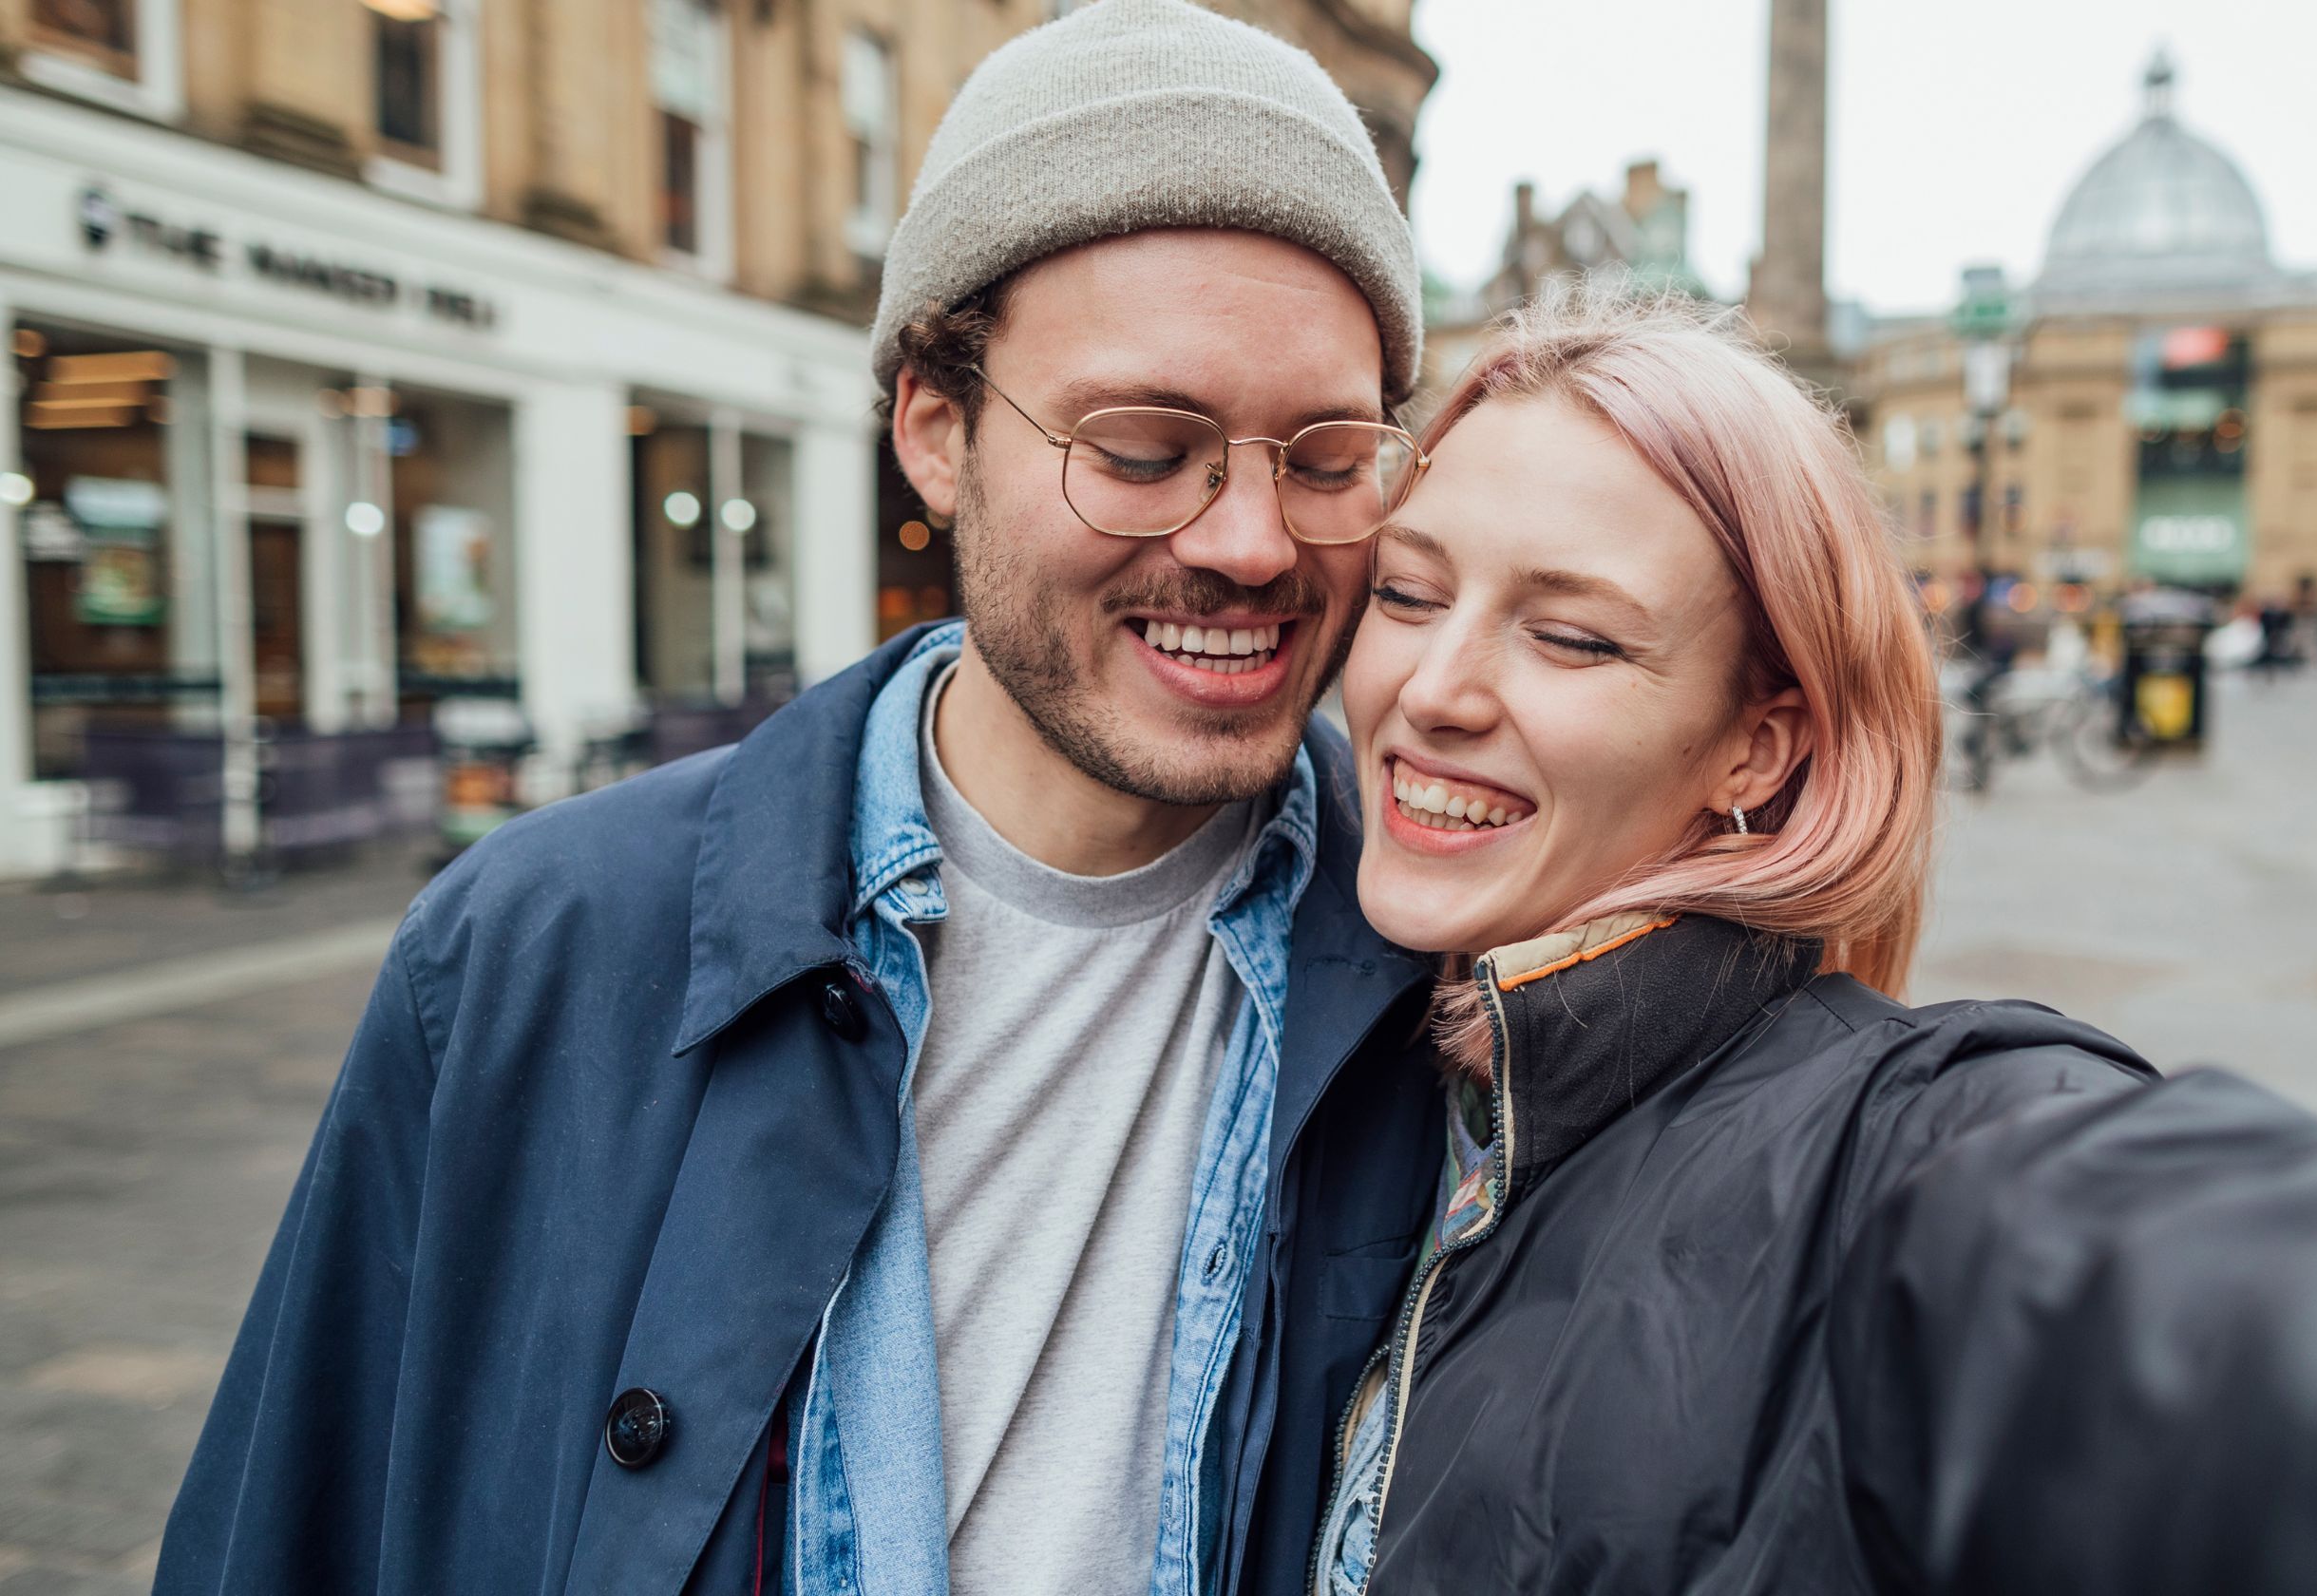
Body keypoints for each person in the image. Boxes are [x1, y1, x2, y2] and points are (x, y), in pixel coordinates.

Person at [159, 5, 1452, 1593]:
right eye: (1143, 445)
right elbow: (281, 1538)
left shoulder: (1460, 984)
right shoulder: (526, 953)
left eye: (1324, 457)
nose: (1252, 542)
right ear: (933, 429)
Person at [1307, 291, 2317, 1595]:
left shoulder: (1905, 1157)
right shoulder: (1361, 1056)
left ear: (1759, 749)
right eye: (1408, 591)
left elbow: (2234, 1315)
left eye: (1572, 634)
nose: (1434, 687)